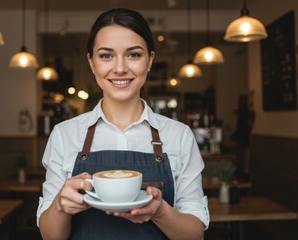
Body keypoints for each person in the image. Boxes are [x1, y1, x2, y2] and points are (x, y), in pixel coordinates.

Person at [36, 8, 209, 240]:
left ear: (150, 60)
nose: (119, 68)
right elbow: (50, 237)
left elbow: (194, 235)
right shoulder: (64, 135)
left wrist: (159, 211)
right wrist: (59, 205)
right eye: (106, 55)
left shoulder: (179, 135)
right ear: (91, 62)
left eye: (134, 55)